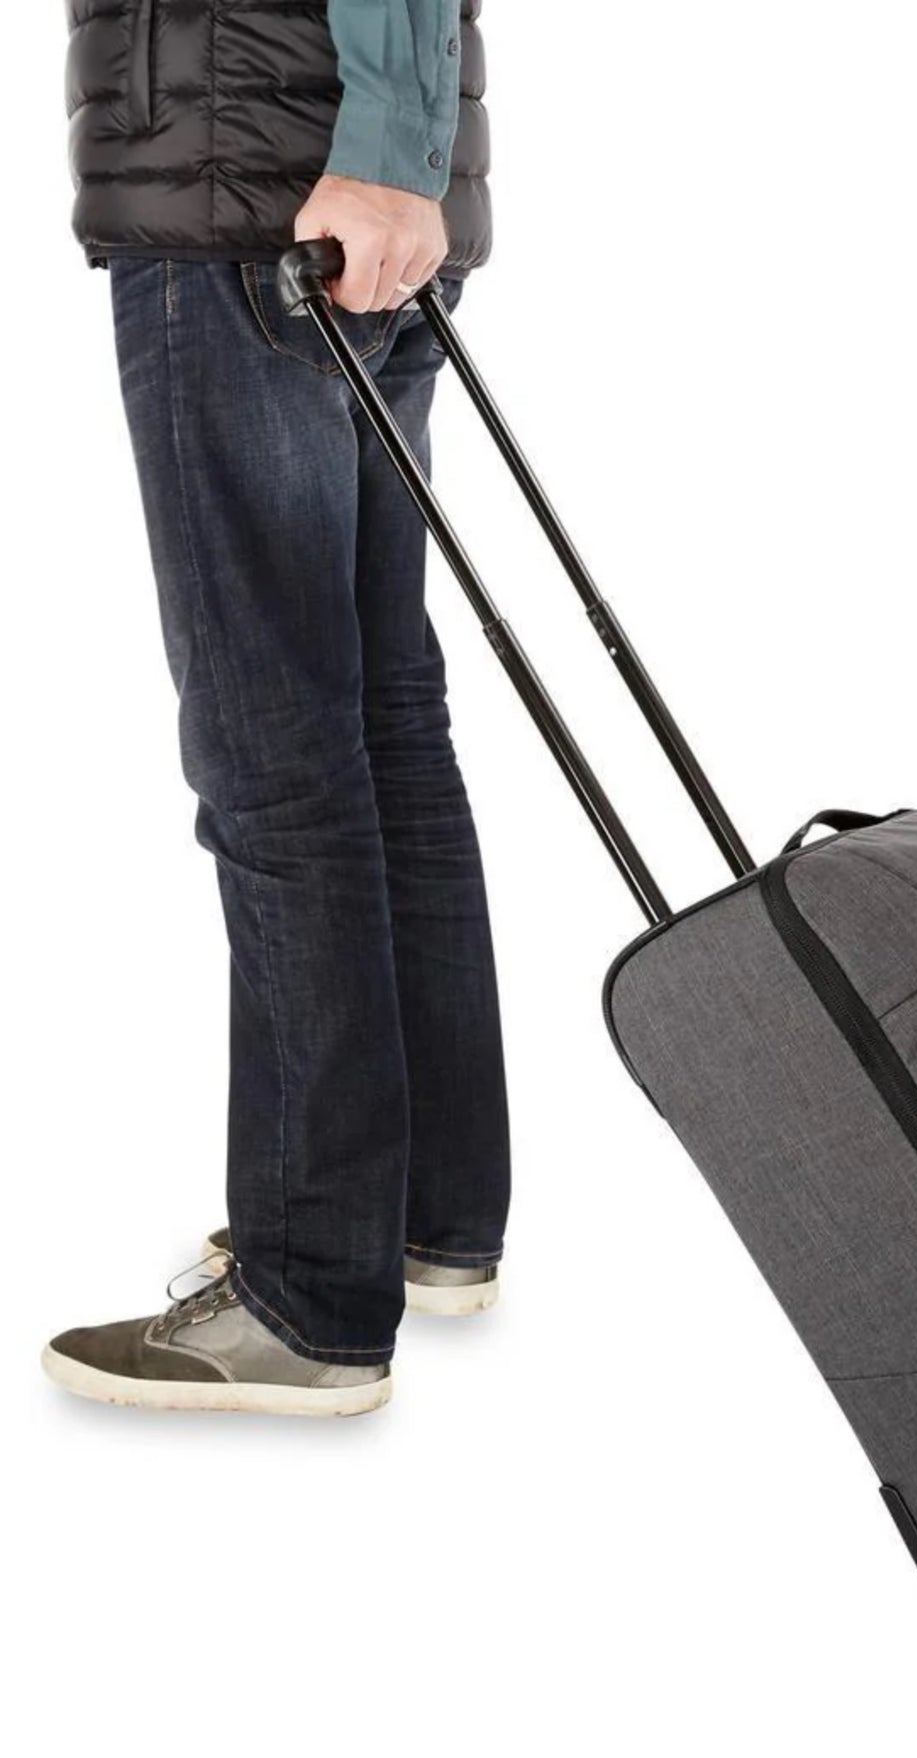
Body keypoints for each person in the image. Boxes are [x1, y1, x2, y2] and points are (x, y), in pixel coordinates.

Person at [43, 1, 508, 1416]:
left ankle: (312, 1291)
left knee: (278, 748)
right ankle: (415, 1215)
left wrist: (382, 152)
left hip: (255, 196)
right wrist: (398, 159)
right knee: (379, 724)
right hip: (322, 196)